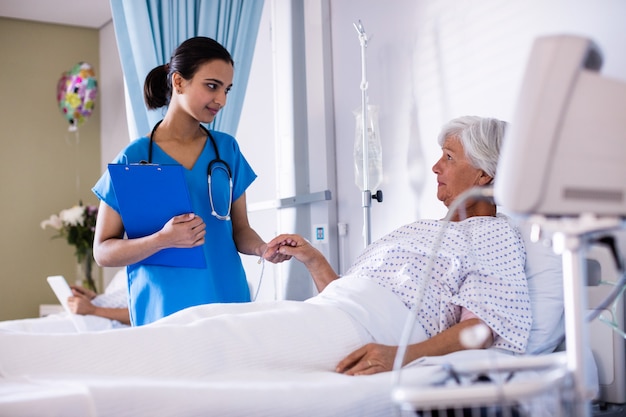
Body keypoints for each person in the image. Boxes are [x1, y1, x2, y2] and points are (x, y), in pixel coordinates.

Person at [0, 116, 531, 379]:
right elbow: (355, 293)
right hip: (336, 310)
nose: (437, 167)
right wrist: (314, 260)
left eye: (448, 156)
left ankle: (30, 367)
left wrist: (400, 357)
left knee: (206, 343)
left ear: (484, 171)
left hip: (370, 333)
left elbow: (484, 329)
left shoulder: (495, 237)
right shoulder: (420, 230)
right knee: (196, 329)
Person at [91, 37, 290, 326]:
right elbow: (103, 252)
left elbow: (240, 229)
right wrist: (163, 239)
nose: (221, 99)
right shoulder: (133, 158)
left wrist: (263, 249)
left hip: (226, 298)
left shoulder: (227, 150)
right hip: (163, 307)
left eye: (226, 89)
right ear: (179, 82)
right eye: (212, 85)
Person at [0, 270, 129, 333]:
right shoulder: (126, 269)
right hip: (91, 314)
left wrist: (93, 310)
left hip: (102, 322)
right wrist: (92, 298)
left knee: (22, 331)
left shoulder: (146, 272)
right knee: (15, 329)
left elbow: (143, 314)